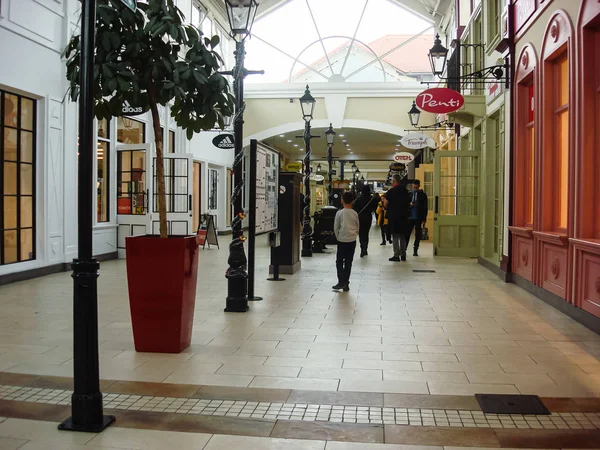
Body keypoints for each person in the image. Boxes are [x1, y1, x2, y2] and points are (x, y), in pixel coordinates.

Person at [333, 191, 359, 291]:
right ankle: (346, 282)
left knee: (339, 261)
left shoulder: (339, 213)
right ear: (352, 201)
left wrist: (338, 237)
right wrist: (354, 234)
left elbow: (336, 227)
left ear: (342, 200)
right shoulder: (355, 213)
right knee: (348, 262)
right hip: (352, 240)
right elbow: (357, 226)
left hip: (342, 240)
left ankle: (341, 281)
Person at [383, 175, 410, 262]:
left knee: (395, 235)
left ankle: (396, 255)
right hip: (404, 216)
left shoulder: (391, 191)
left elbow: (385, 204)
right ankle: (403, 254)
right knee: (402, 235)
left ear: (394, 181)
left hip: (394, 216)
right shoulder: (405, 191)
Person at [353, 185, 378, 257]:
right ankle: (365, 248)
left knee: (361, 233)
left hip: (360, 217)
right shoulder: (371, 199)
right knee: (366, 233)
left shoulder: (359, 198)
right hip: (368, 217)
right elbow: (375, 207)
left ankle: (362, 248)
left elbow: (354, 207)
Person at [405, 179, 428, 257]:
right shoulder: (409, 194)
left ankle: (415, 250)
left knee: (417, 235)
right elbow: (405, 205)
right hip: (410, 217)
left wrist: (424, 219)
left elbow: (425, 207)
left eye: (416, 187)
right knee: (407, 234)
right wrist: (409, 205)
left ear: (419, 186)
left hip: (418, 217)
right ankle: (404, 249)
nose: (415, 189)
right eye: (414, 187)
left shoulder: (423, 195)